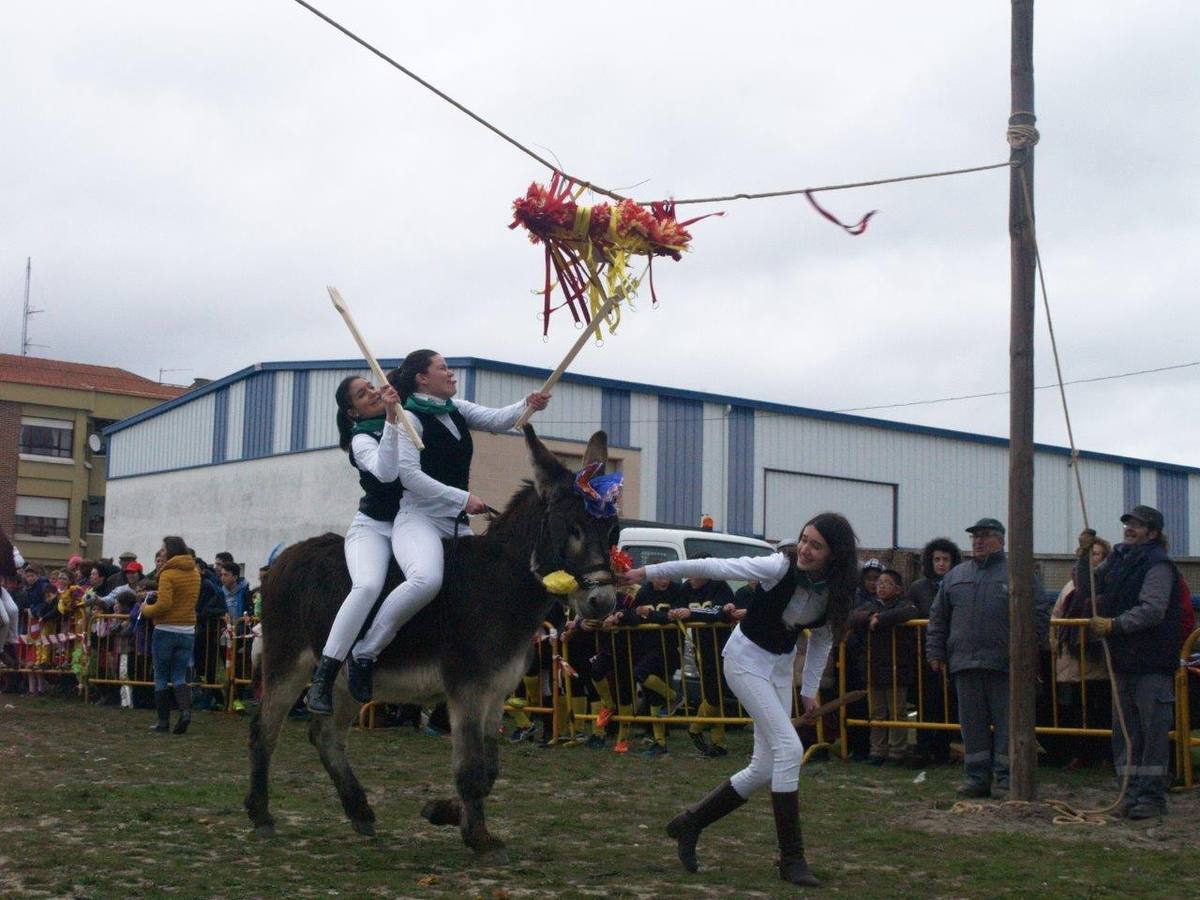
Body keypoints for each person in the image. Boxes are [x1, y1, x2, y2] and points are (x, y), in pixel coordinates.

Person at [619, 512, 858, 888]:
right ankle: (791, 859)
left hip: (778, 667)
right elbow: (713, 565)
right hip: (745, 659)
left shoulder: (837, 590)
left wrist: (809, 690)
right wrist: (643, 574)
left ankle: (690, 823)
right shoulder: (778, 566)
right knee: (790, 750)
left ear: (835, 554)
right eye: (804, 539)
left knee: (765, 767)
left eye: (816, 545)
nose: (806, 549)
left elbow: (823, 640)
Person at [340, 350, 550, 704]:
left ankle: (466, 660)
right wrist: (462, 498)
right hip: (418, 519)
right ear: (423, 378)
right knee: (426, 580)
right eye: (444, 369)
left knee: (482, 586)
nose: (451, 374)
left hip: (454, 522)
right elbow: (408, 476)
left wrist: (528, 404)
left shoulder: (456, 409)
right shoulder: (410, 418)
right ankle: (365, 651)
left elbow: (500, 419)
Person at [926, 518, 1044, 799]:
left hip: (1006, 664)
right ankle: (977, 777)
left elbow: (1038, 614)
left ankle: (1006, 780)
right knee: (972, 726)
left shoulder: (1019, 573)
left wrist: (1030, 652)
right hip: (965, 663)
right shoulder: (955, 576)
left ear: (1002, 540)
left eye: (986, 535)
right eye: (975, 536)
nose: (978, 541)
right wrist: (935, 651)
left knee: (1007, 725)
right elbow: (938, 618)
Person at [1086, 505, 1184, 819]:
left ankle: (1152, 797)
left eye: (1137, 525)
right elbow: (1087, 583)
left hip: (1151, 663)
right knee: (1125, 732)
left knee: (1151, 732)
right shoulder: (1117, 559)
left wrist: (1116, 625)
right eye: (1128, 523)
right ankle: (1128, 794)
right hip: (1123, 662)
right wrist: (1082, 556)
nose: (1129, 528)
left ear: (1152, 532)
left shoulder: (1159, 565)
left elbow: (1153, 609)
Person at [1047, 532, 1112, 768]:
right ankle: (1078, 753)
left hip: (1095, 658)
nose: (1092, 558)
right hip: (1070, 658)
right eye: (1088, 554)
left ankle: (1103, 753)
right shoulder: (1069, 586)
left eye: (1096, 554)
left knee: (1099, 708)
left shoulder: (1106, 584)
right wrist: (1055, 642)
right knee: (1073, 709)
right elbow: (1056, 615)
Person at [847, 568, 916, 765]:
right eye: (879, 583)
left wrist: (881, 619)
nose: (881, 586)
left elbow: (910, 612)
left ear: (898, 589)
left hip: (897, 667)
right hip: (874, 667)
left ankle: (897, 751)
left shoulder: (904, 604)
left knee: (897, 712)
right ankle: (877, 751)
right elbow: (852, 617)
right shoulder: (869, 605)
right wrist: (870, 617)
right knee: (877, 712)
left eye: (886, 583)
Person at [904, 538, 961, 767]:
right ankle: (922, 748)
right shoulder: (918, 587)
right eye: (937, 559)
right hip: (924, 654)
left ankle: (944, 748)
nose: (941, 564)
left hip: (954, 652)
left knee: (950, 702)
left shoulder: (959, 584)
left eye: (946, 559)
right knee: (926, 703)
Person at [140, 535, 200, 734]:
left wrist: (145, 610)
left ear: (171, 551)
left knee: (161, 676)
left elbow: (164, 604)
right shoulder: (195, 572)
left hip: (166, 628)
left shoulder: (168, 573)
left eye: (164, 549)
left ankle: (163, 722)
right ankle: (185, 712)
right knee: (180, 676)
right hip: (188, 629)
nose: (162, 552)